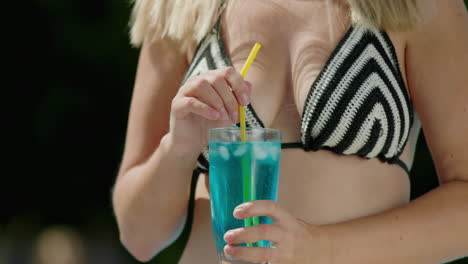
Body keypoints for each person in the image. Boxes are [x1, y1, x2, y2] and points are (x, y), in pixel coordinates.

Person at [112, 0, 468, 263]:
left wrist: (319, 248)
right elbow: (139, 237)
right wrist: (177, 148)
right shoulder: (180, 8)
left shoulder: (416, 5)